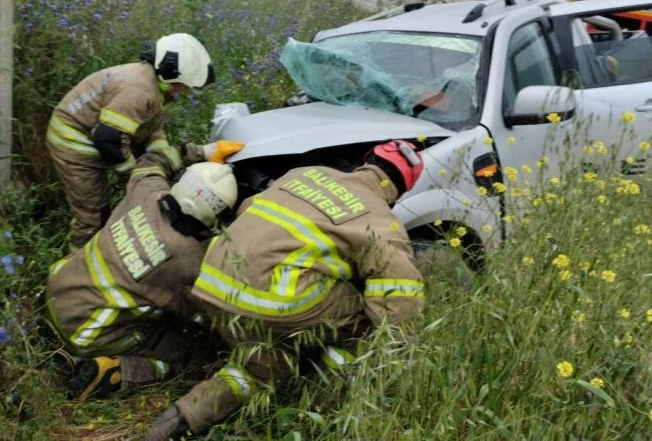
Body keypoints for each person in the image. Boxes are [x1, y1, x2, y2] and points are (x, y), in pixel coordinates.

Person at [147, 141, 427, 440]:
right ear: (402, 189)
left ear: (366, 160)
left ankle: (179, 421)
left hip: (214, 279)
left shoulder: (306, 173)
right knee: (364, 316)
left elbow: (247, 208)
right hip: (271, 297)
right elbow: (398, 305)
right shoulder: (382, 222)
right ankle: (336, 397)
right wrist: (402, 361)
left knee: (262, 369)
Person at [46, 147, 240, 401]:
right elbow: (205, 317)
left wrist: (204, 151)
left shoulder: (146, 191)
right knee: (179, 351)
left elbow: (151, 160)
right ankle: (114, 372)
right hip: (86, 330)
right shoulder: (191, 260)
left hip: (56, 289)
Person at [47, 33, 223, 249]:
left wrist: (162, 162)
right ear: (169, 72)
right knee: (93, 214)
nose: (184, 90)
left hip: (97, 134)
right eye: (182, 85)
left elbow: (151, 129)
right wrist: (132, 176)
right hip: (73, 142)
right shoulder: (139, 90)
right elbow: (108, 139)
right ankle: (74, 266)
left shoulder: (159, 88)